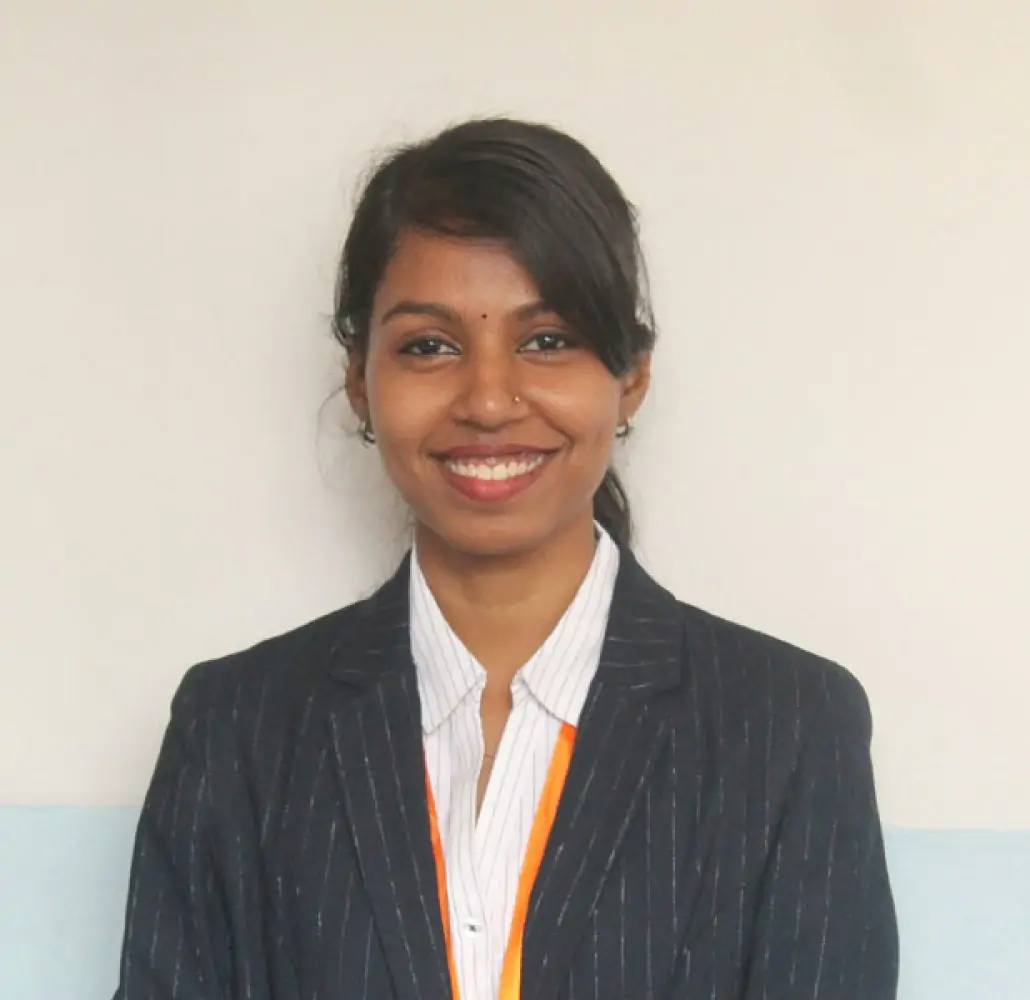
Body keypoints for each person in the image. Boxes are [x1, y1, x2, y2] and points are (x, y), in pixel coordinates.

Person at [113, 117, 899, 1000]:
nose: (488, 400)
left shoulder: (787, 728)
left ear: (631, 376)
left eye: (547, 340)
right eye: (429, 346)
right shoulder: (237, 730)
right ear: (360, 380)